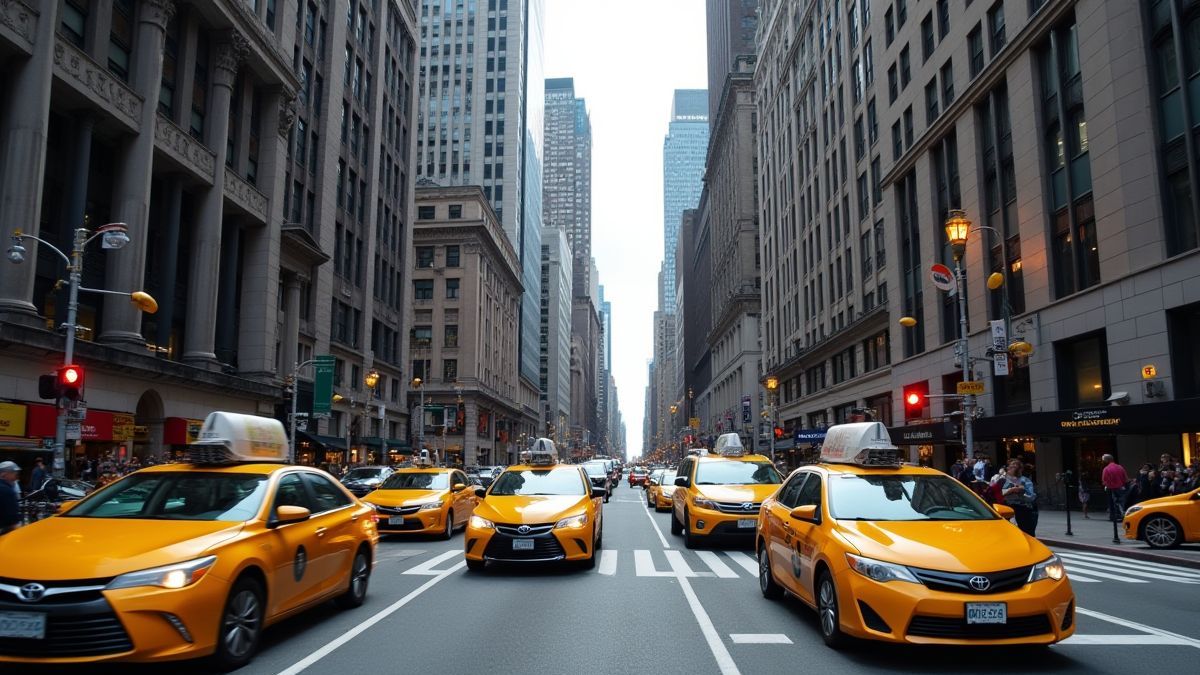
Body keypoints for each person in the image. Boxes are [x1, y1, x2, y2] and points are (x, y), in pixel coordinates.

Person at [997, 459, 1037, 535]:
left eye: (1017, 467)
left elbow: (1031, 496)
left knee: (1025, 531)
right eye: (1012, 466)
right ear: (1007, 468)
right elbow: (995, 492)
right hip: (1004, 508)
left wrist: (1022, 492)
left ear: (1021, 469)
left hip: (1021, 508)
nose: (1014, 468)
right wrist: (1009, 491)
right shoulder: (1000, 479)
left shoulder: (1025, 480)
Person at [1100, 454, 1129, 521]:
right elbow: (1126, 479)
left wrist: (1107, 485)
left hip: (1111, 489)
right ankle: (1122, 515)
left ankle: (1115, 516)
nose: (1102, 462)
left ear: (1107, 460)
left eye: (1103, 460)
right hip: (1121, 488)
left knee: (1112, 503)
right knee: (1121, 502)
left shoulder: (1106, 469)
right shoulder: (1120, 467)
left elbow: (1104, 481)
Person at [0, 461, 21, 535]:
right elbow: (13, 523)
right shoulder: (6, 491)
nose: (15, 477)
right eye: (13, 473)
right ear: (3, 474)